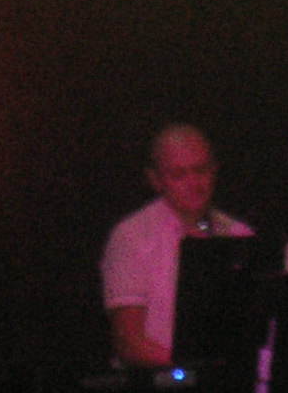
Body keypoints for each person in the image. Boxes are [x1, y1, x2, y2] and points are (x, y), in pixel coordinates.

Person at [100, 123, 252, 370]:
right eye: (179, 175)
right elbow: (129, 342)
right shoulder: (132, 236)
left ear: (214, 170)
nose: (194, 183)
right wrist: (194, 368)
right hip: (153, 385)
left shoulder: (239, 234)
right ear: (155, 180)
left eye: (200, 171)